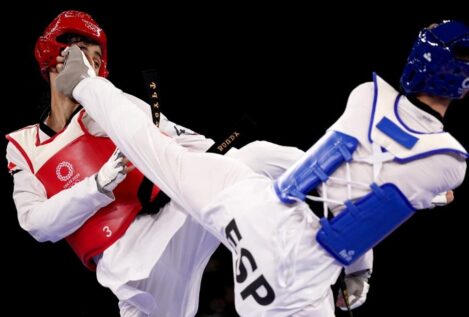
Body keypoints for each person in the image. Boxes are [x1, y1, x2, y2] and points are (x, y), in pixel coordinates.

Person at [55, 20, 468, 316]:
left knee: (157, 152)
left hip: (254, 203)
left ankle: (86, 81)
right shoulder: (448, 161)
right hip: (291, 268)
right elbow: (354, 224)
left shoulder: (367, 94)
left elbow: (332, 168)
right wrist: (361, 273)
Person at [6, 10, 308, 316]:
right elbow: (37, 224)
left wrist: (219, 163)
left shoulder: (111, 104)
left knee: (255, 157)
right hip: (128, 274)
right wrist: (96, 186)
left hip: (172, 222)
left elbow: (191, 145)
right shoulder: (24, 146)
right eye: (84, 53)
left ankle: (335, 188)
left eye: (98, 59)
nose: (93, 64)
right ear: (56, 58)